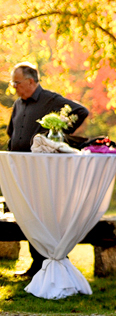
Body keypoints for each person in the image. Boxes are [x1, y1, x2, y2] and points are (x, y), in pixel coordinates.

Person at [7, 62, 89, 277]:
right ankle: (36, 264)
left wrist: (58, 134)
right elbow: (12, 133)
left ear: (31, 81)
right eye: (12, 83)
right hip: (21, 169)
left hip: (42, 170)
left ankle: (51, 262)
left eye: (16, 83)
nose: (14, 87)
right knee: (28, 216)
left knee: (44, 215)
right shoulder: (18, 104)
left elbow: (81, 111)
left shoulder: (50, 99)